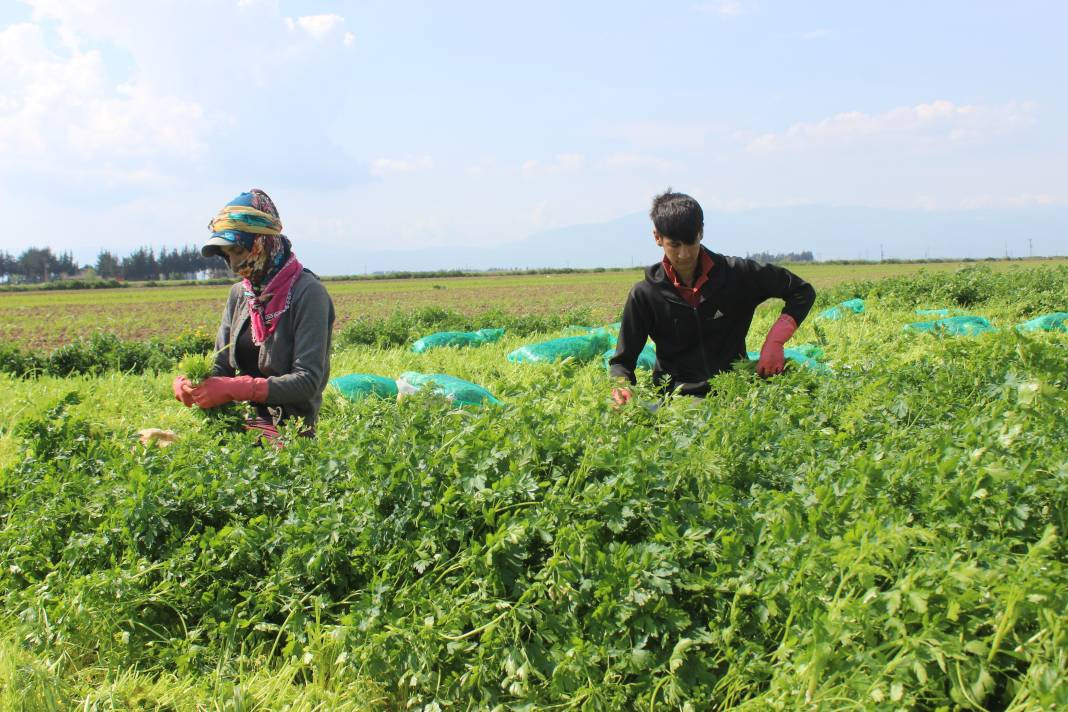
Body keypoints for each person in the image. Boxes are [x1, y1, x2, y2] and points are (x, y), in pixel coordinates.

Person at [609, 190, 815, 404]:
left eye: (690, 242)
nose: (684, 254)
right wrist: (621, 387)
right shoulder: (645, 294)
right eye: (675, 244)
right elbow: (622, 361)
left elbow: (802, 291)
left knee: (800, 388)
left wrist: (775, 341)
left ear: (701, 232)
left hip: (736, 389)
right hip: (677, 399)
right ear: (657, 238)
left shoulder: (737, 274)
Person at [172, 189, 336, 437]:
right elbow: (222, 366)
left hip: (290, 432)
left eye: (238, 251)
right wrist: (194, 384)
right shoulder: (241, 294)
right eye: (227, 256)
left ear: (263, 242)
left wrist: (236, 388)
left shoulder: (308, 293)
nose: (234, 264)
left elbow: (308, 381)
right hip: (239, 423)